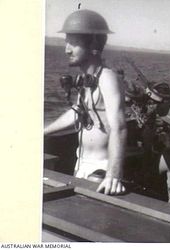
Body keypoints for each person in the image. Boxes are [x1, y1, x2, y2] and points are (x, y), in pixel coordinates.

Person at [44, 9, 127, 195]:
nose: (67, 49)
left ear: (93, 44)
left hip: (101, 172)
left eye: (73, 43)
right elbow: (78, 112)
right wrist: (43, 132)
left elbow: (119, 127)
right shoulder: (86, 79)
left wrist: (113, 175)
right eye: (66, 42)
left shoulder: (107, 78)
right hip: (81, 165)